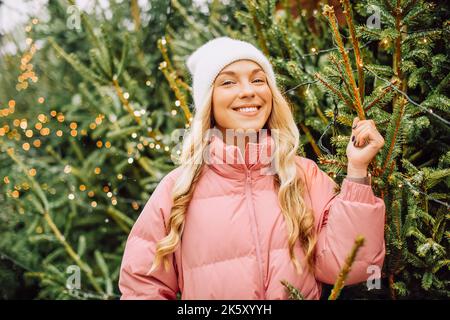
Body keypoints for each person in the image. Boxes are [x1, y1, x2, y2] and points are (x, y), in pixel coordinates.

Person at [118, 37, 386, 300]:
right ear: (208, 102)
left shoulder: (304, 175)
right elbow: (142, 287)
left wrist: (357, 169)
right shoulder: (177, 189)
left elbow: (349, 266)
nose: (248, 91)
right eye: (228, 82)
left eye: (258, 79)